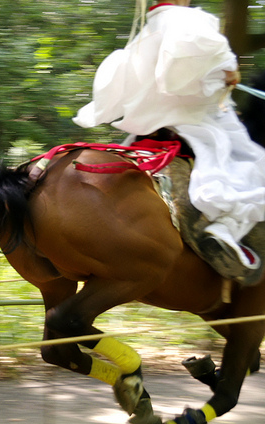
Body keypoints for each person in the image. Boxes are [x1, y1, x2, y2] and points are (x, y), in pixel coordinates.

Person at [73, 0, 265, 275]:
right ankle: (224, 230)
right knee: (254, 169)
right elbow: (208, 69)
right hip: (196, 123)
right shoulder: (192, 21)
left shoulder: (146, 31)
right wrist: (229, 74)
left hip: (150, 129)